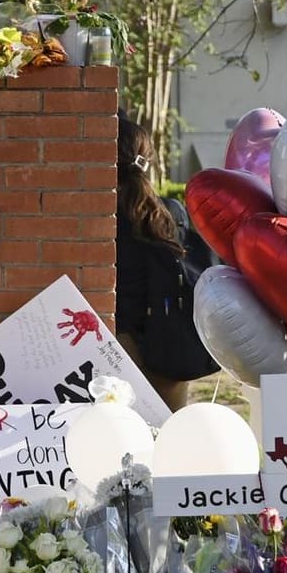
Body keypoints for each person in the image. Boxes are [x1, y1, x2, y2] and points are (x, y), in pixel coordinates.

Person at [114, 111, 199, 410]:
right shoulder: (171, 214)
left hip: (119, 352)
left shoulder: (99, 220)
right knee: (168, 446)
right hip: (170, 349)